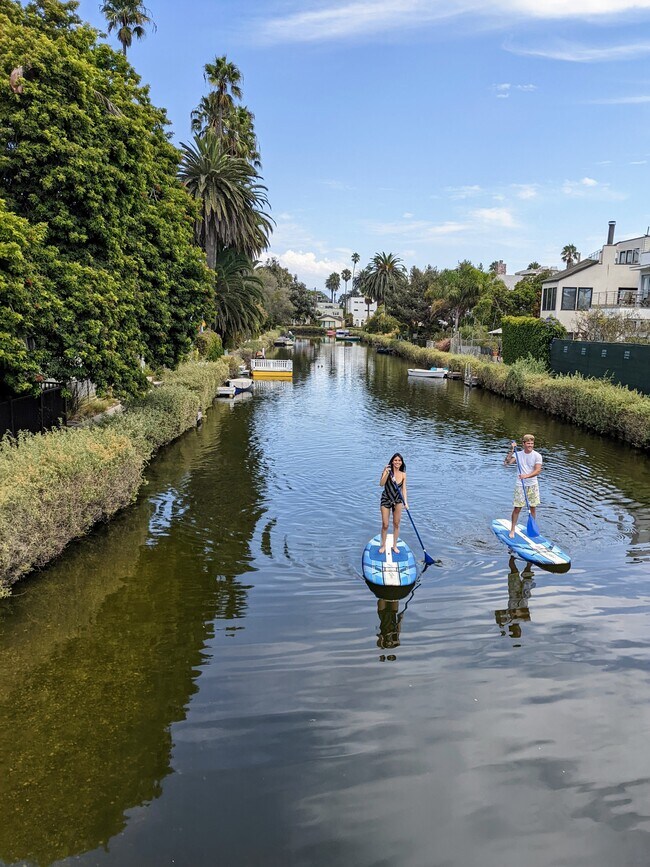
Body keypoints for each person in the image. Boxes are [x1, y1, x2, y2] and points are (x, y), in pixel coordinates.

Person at [504, 434, 542, 537]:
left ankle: (531, 529)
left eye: (532, 443)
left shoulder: (537, 455)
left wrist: (527, 476)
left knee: (533, 508)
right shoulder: (518, 454)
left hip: (533, 485)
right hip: (520, 485)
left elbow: (538, 470)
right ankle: (512, 530)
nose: (530, 445)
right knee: (517, 508)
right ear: (523, 444)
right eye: (528, 443)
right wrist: (512, 450)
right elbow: (506, 463)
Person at [379, 453, 408, 555]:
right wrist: (386, 473)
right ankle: (383, 545)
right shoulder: (387, 471)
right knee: (385, 524)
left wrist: (406, 502)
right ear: (392, 461)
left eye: (399, 460)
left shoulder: (403, 474)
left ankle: (394, 545)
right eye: (395, 460)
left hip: (398, 500)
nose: (397, 462)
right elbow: (381, 484)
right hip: (386, 499)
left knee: (396, 524)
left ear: (402, 462)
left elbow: (404, 489)